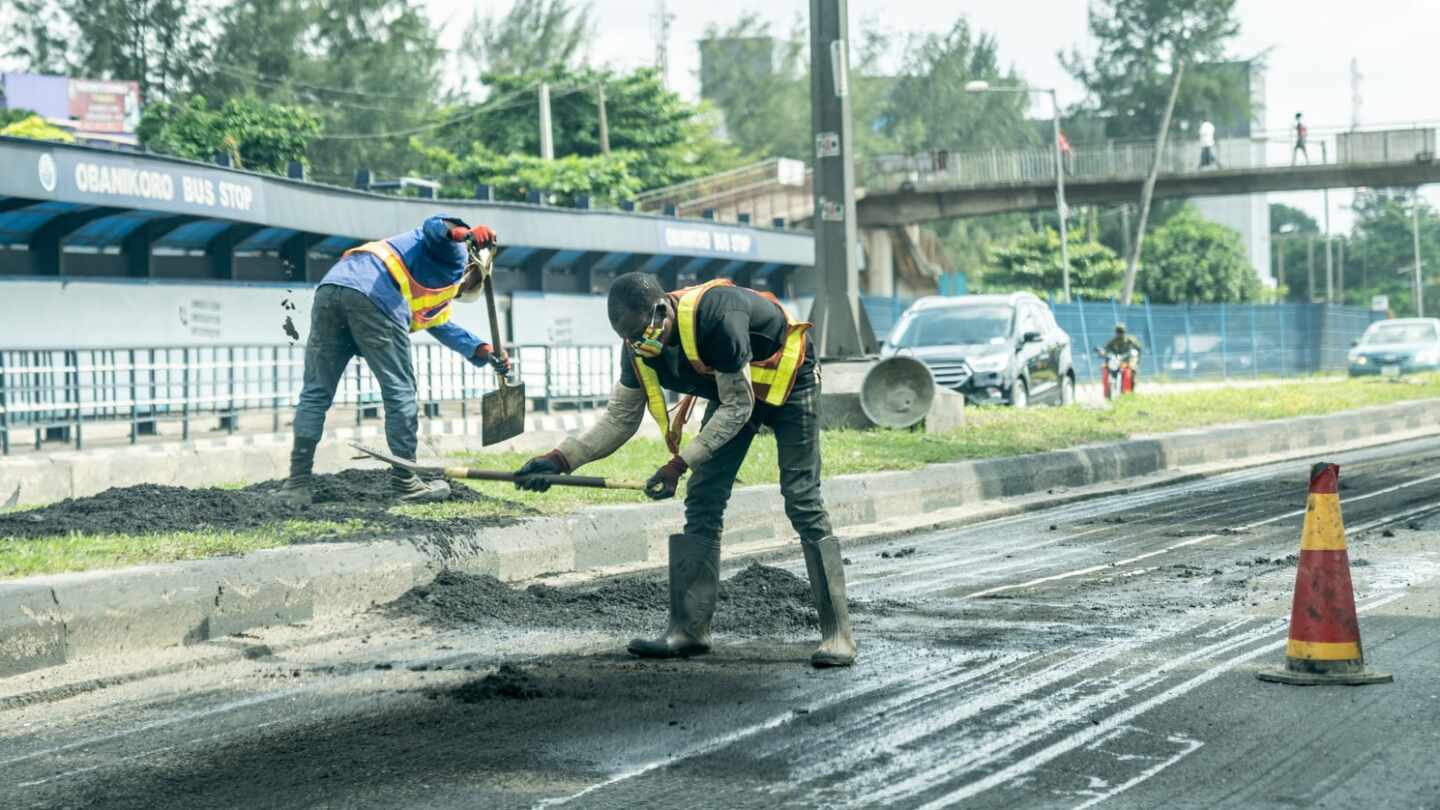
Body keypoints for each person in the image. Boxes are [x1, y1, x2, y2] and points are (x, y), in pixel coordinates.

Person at [512, 272, 855, 668]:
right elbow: (620, 419)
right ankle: (689, 631)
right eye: (630, 339)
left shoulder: (717, 319)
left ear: (661, 310)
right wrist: (559, 461)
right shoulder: (637, 348)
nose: (640, 345)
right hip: (733, 393)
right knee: (704, 497)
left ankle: (838, 635)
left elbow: (739, 408)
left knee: (801, 497)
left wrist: (678, 464)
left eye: (642, 334)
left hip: (790, 384)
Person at [279, 215, 509, 505]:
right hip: (375, 295)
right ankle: (406, 483)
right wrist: (465, 235)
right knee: (400, 391)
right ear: (472, 271)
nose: (459, 291)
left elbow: (441, 326)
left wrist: (485, 351)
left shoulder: (427, 286)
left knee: (315, 391)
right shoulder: (456, 254)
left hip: (331, 289)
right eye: (467, 286)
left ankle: (297, 485)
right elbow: (435, 227)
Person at [1098, 324, 1143, 388]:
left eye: (1121, 332)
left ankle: (1132, 386)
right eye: (1118, 332)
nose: (1119, 334)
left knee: (1132, 369)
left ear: (1124, 332)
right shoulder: (1113, 341)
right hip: (1116, 360)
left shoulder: (1130, 340)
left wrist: (1136, 354)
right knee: (1105, 367)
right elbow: (1106, 348)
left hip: (1128, 359)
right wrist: (1102, 352)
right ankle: (1108, 389)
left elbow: (1138, 347)